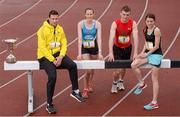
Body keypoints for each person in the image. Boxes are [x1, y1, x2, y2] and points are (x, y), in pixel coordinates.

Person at [37, 10, 84, 114]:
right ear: (49, 18)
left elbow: (64, 42)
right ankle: (49, 104)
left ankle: (75, 91)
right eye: (53, 19)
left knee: (72, 65)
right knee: (53, 76)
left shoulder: (60, 29)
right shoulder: (42, 30)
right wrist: (53, 60)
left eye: (56, 18)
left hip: (58, 55)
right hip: (45, 57)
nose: (55, 20)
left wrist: (61, 56)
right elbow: (42, 47)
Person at [131, 13, 163, 110]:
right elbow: (146, 43)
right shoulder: (145, 29)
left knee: (154, 79)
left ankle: (154, 103)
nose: (149, 23)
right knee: (134, 64)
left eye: (151, 21)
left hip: (156, 55)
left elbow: (156, 46)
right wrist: (141, 53)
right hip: (148, 53)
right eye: (148, 21)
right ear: (145, 21)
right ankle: (142, 83)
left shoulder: (156, 30)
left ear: (154, 21)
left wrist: (146, 54)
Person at [108, 5, 138, 93]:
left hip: (128, 48)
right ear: (120, 14)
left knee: (124, 67)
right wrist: (110, 52)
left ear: (130, 15)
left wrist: (135, 52)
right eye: (124, 14)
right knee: (118, 70)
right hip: (117, 48)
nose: (125, 17)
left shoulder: (133, 23)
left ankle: (121, 81)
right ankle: (114, 83)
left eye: (127, 15)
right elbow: (111, 38)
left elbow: (136, 38)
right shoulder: (115, 23)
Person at [77, 8, 103, 98]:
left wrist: (100, 53)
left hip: (94, 47)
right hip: (85, 48)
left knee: (92, 68)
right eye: (87, 14)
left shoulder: (97, 24)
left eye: (91, 14)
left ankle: (90, 82)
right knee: (88, 69)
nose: (89, 16)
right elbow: (80, 39)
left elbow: (99, 38)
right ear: (85, 15)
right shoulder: (80, 24)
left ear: (93, 14)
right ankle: (85, 89)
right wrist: (79, 53)